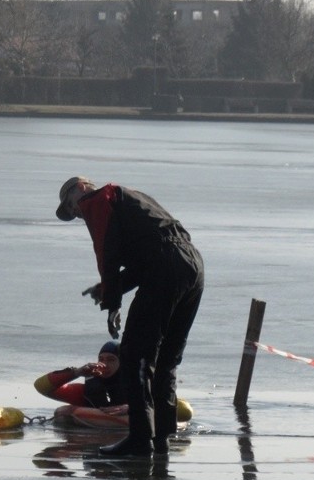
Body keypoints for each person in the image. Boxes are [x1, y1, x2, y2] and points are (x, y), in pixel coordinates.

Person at [55, 176, 204, 457]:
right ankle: (162, 438)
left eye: (69, 204)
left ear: (80, 188)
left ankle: (140, 439)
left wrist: (112, 302)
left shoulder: (98, 200)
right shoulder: (129, 198)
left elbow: (106, 253)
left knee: (135, 354)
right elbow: (152, 257)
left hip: (168, 265)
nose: (74, 212)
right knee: (166, 358)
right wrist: (110, 289)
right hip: (192, 266)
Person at [34, 340, 127, 423]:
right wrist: (76, 373)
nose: (105, 364)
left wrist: (131, 409)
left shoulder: (137, 387)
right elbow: (40, 386)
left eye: (111, 360)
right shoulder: (88, 390)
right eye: (101, 359)